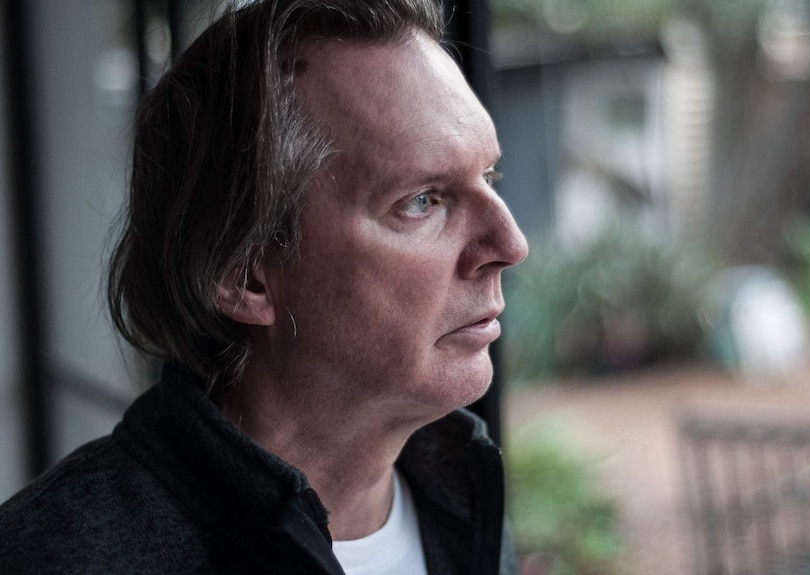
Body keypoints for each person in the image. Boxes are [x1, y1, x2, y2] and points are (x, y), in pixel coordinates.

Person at [0, 0, 528, 573]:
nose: (509, 244)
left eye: (489, 176)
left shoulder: (460, 492)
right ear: (244, 273)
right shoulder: (59, 556)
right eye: (422, 201)